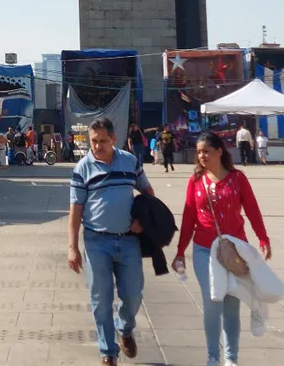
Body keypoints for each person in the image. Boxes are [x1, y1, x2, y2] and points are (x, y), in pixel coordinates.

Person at [172, 131, 271, 366]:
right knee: (212, 300)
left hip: (235, 251)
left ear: (219, 152)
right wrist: (179, 252)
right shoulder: (195, 182)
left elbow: (253, 210)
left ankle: (231, 358)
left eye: (206, 151)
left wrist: (263, 238)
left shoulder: (238, 179)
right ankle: (212, 357)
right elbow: (188, 218)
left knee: (231, 305)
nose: (202, 155)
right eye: (199, 152)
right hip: (204, 250)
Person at [69, 118, 154, 365]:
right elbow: (75, 211)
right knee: (101, 299)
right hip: (96, 242)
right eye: (93, 142)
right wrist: (73, 248)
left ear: (113, 140)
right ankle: (108, 351)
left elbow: (148, 194)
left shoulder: (130, 161)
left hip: (128, 242)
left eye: (102, 141)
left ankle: (124, 328)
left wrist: (142, 221)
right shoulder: (83, 168)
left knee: (134, 294)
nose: (97, 146)